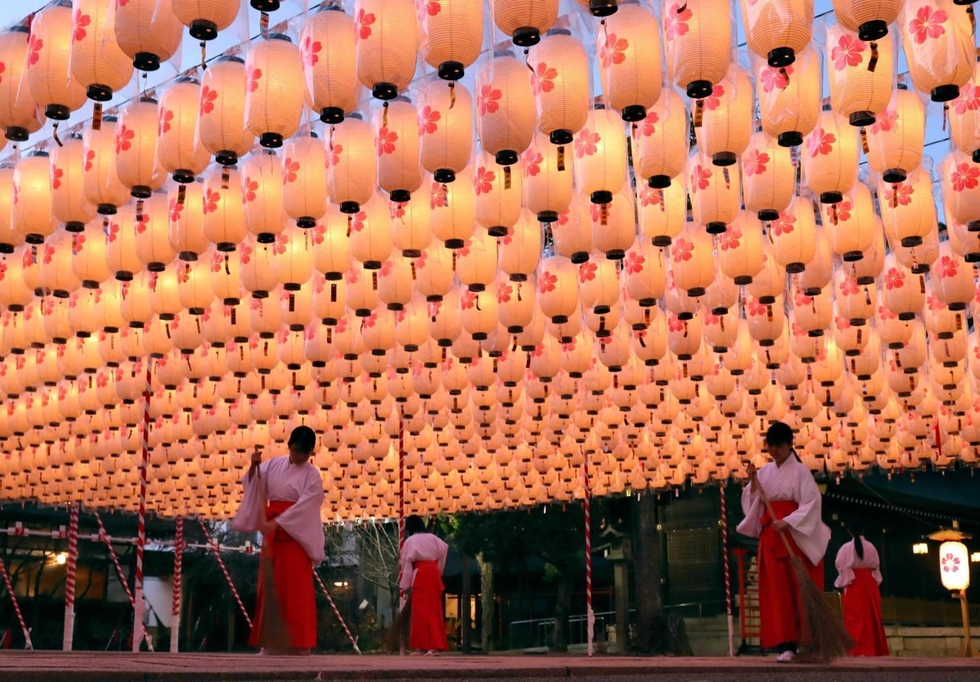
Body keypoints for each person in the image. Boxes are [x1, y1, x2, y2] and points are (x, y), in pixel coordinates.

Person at [737, 421, 831, 663]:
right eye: (770, 445)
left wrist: (788, 521)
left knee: (798, 591)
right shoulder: (766, 472)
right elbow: (755, 498)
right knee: (777, 594)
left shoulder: (800, 472)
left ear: (790, 445)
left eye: (779, 445)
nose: (774, 449)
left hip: (795, 537)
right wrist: (753, 480)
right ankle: (785, 645)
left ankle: (808, 641)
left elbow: (811, 504)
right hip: (771, 536)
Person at [232, 426, 325, 654]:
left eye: (305, 453)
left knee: (296, 588)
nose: (300, 456)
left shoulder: (312, 475)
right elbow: (253, 484)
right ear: (289, 446)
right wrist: (254, 467)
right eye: (296, 450)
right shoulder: (273, 465)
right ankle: (271, 640)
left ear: (311, 452)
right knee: (271, 585)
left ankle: (300, 643)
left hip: (296, 536)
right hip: (273, 533)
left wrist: (279, 522)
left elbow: (307, 506)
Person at [835, 520, 889, 657]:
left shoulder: (846, 548)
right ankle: (873, 649)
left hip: (853, 583)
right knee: (871, 617)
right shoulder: (871, 547)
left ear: (849, 531)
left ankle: (856, 650)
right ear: (863, 530)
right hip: (869, 583)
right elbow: (876, 566)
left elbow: (841, 565)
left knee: (854, 618)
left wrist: (845, 581)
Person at [399, 515, 449, 654]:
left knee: (420, 612)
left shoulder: (410, 541)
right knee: (433, 610)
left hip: (420, 574)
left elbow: (406, 562)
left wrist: (405, 583)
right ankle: (429, 646)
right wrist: (438, 569)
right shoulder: (433, 538)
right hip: (433, 573)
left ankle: (427, 646)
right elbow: (444, 549)